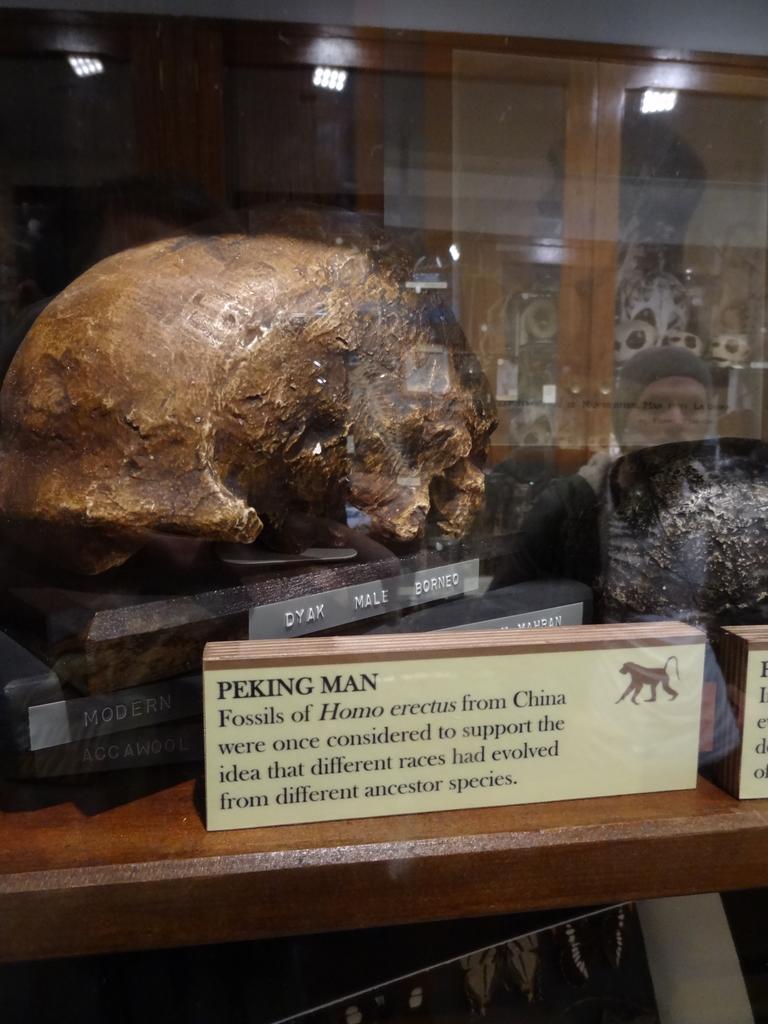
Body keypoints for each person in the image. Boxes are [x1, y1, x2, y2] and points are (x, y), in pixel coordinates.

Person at [491, 345, 714, 591]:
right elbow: (506, 604)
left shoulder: (723, 502)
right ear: (624, 418)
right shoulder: (568, 506)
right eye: (655, 406)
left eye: (694, 407)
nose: (676, 421)